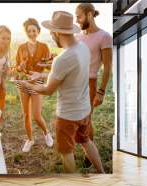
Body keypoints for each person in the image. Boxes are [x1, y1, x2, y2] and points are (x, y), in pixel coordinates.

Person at [15, 11, 105, 173]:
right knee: (86, 142)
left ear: (57, 33)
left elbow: (48, 90)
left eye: (51, 31)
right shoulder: (83, 48)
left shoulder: (62, 59)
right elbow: (67, 73)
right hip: (84, 110)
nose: (50, 34)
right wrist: (41, 74)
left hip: (68, 116)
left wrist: (27, 85)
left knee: (66, 152)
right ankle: (102, 172)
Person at [75, 3, 113, 168]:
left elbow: (107, 68)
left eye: (79, 16)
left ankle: (89, 156)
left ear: (89, 15)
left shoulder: (104, 37)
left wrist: (101, 91)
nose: (77, 20)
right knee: (78, 120)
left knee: (86, 120)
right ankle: (86, 147)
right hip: (75, 83)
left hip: (90, 84)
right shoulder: (78, 37)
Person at [15, 18, 54, 152]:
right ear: (26, 32)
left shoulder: (44, 47)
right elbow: (17, 68)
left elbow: (50, 67)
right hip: (24, 82)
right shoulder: (21, 48)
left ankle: (46, 132)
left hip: (37, 82)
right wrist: (20, 67)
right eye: (29, 31)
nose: (31, 33)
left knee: (36, 115)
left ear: (38, 31)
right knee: (26, 114)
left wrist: (48, 63)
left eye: (34, 30)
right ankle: (30, 139)